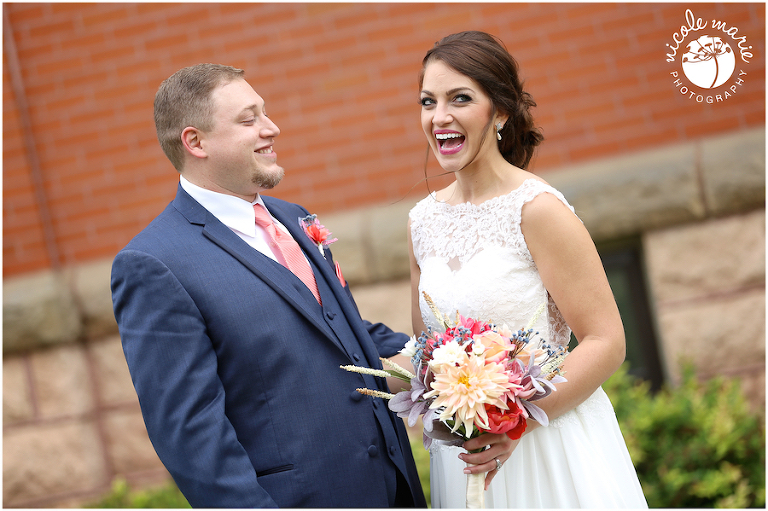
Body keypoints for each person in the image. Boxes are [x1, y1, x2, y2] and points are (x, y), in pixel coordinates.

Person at [111, 63, 426, 508]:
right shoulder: (154, 263)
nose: (271, 128)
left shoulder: (294, 217)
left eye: (265, 113)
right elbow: (190, 431)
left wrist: (452, 363)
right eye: (249, 119)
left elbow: (344, 332)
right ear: (195, 142)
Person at [407, 31, 647, 507]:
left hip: (548, 445)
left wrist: (518, 421)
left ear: (500, 111)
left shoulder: (537, 209)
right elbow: (426, 353)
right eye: (428, 101)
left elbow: (606, 340)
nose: (440, 117)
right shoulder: (421, 221)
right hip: (466, 459)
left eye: (460, 99)